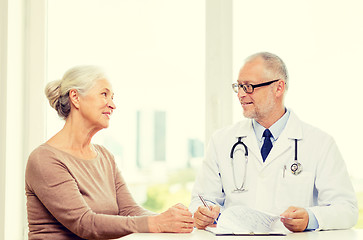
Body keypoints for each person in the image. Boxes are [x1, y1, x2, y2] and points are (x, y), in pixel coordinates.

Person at [189, 52, 358, 232]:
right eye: (238, 86)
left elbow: (346, 209)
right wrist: (202, 213)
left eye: (248, 87)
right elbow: (200, 201)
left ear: (278, 88)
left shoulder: (320, 143)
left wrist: (311, 218)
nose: (240, 94)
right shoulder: (221, 141)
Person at [25, 65, 194, 239]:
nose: (112, 105)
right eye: (104, 94)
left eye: (112, 97)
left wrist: (180, 222)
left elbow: (130, 210)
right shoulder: (45, 159)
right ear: (75, 97)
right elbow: (84, 223)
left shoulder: (105, 156)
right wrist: (156, 223)